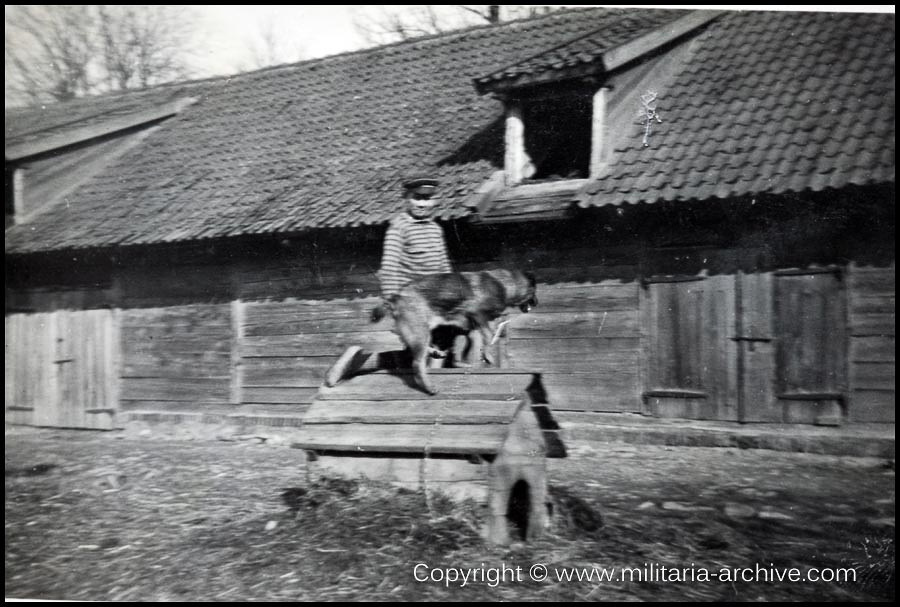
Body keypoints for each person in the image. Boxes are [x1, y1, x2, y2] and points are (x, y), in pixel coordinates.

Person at [324, 175, 461, 387]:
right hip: (412, 305)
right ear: (406, 197)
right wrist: (394, 310)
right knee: (425, 350)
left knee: (430, 347)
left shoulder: (435, 230)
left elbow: (445, 269)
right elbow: (389, 270)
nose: (423, 203)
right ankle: (433, 386)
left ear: (435, 200)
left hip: (436, 306)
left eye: (428, 198)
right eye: (417, 198)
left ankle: (356, 360)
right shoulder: (398, 229)